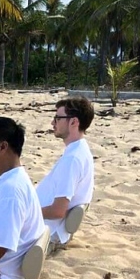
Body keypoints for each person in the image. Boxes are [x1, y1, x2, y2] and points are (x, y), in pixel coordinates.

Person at [0, 117, 46, 279]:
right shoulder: (9, 180)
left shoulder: (10, 191)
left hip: (1, 278)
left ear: (2, 147)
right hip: (2, 272)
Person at [36, 97, 95, 245]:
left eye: (58, 118)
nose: (52, 122)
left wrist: (27, 214)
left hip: (47, 230)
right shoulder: (79, 149)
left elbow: (58, 211)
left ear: (74, 122)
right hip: (46, 226)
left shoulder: (73, 159)